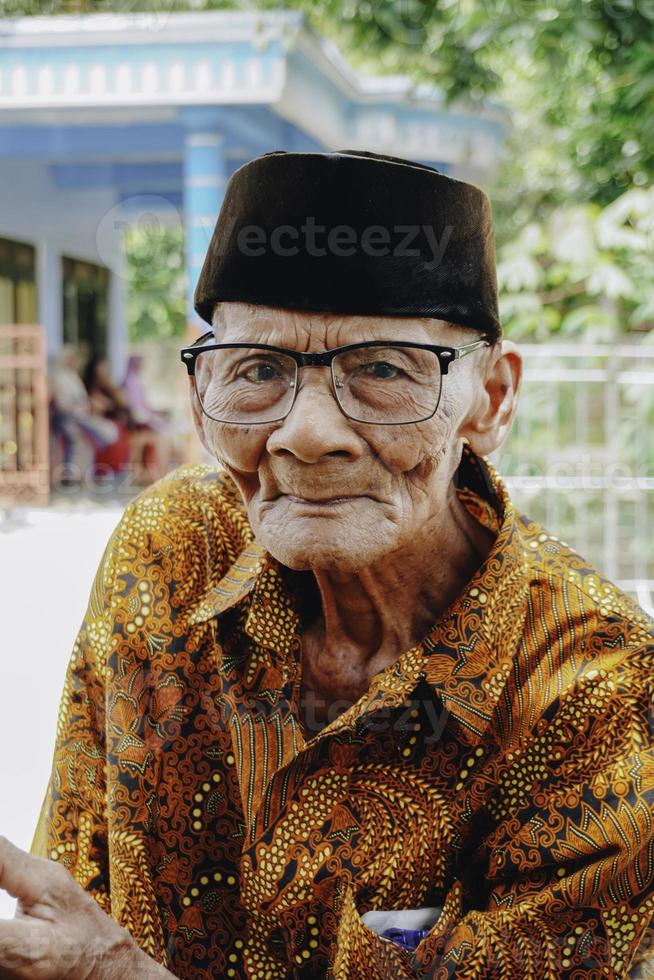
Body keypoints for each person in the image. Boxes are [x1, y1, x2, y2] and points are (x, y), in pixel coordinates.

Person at [1, 150, 652, 979]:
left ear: (492, 399)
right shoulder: (174, 547)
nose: (307, 433)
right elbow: (73, 898)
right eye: (258, 371)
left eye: (381, 370)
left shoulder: (600, 692)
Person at [49, 345, 119, 485]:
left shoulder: (72, 376)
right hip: (69, 419)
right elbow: (64, 405)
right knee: (78, 443)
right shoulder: (60, 377)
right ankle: (70, 478)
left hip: (79, 416)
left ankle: (81, 477)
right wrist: (87, 406)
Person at [120, 353, 175, 481]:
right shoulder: (129, 382)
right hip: (137, 424)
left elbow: (145, 406)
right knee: (164, 437)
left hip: (145, 420)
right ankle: (159, 475)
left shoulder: (137, 381)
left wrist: (156, 414)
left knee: (168, 435)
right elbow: (135, 410)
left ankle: (162, 473)